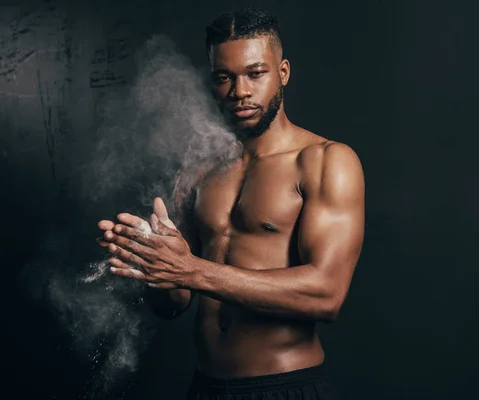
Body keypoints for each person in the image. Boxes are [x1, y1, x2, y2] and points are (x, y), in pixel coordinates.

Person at [97, 8, 365, 400]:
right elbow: (173, 303)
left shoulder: (325, 161)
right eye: (225, 77)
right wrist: (151, 261)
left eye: (255, 73)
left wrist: (191, 270)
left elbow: (327, 294)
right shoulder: (198, 172)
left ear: (283, 72)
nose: (239, 91)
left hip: (285, 387)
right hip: (206, 388)